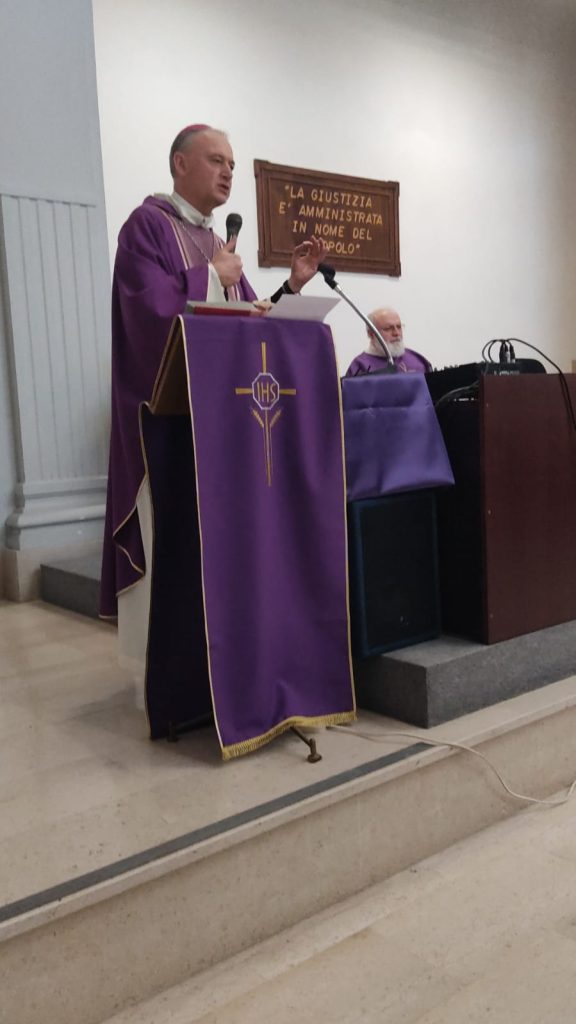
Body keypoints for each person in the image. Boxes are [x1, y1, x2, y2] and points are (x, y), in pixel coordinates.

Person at [100, 124, 327, 684]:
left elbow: (249, 324)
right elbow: (145, 312)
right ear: (180, 164)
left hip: (222, 427)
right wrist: (207, 276)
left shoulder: (214, 243)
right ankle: (168, 678)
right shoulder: (146, 226)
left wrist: (291, 290)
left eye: (232, 163)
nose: (228, 172)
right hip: (168, 426)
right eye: (216, 160)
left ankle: (224, 665)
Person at [345, 307, 431, 375]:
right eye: (388, 329)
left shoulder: (418, 359)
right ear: (371, 334)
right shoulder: (360, 366)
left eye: (399, 327)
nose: (396, 333)